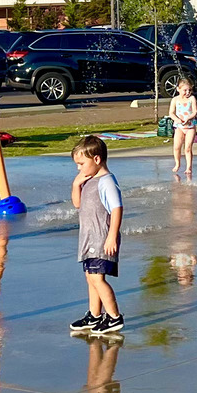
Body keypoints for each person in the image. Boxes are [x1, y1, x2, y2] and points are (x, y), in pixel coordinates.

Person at [69, 133, 124, 334]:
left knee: (97, 279)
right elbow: (78, 204)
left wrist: (112, 236)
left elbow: (117, 208)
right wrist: (76, 185)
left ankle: (114, 317)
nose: (79, 168)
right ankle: (95, 315)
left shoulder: (106, 181)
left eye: (81, 164)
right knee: (90, 277)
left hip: (101, 238)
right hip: (89, 238)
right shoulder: (90, 180)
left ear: (97, 159)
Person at [167, 74, 197, 177]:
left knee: (188, 148)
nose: (187, 93)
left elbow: (195, 112)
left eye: (189, 90)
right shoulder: (175, 100)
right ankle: (177, 163)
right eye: (185, 90)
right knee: (176, 147)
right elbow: (171, 113)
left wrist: (189, 118)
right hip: (179, 127)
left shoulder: (192, 99)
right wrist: (177, 120)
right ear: (178, 89)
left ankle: (188, 167)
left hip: (190, 127)